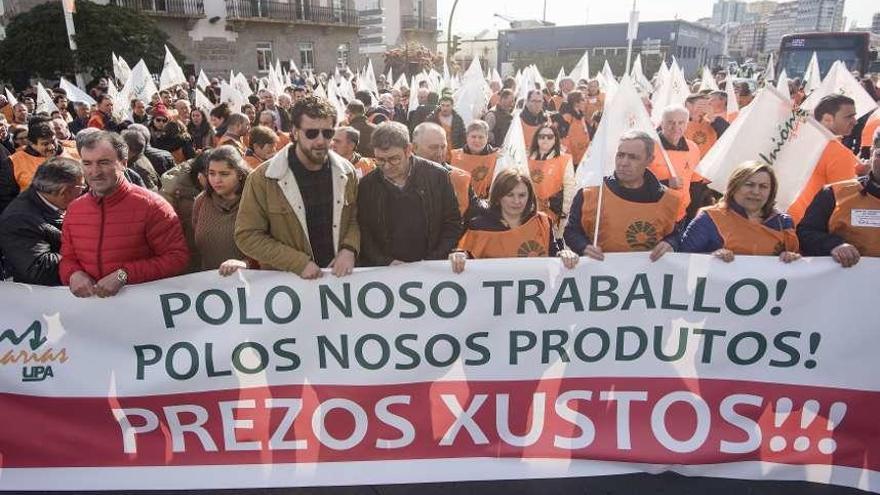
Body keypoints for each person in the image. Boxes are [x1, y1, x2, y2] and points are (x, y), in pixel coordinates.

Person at [235, 96, 359, 279]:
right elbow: (247, 235)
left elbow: (356, 218)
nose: (320, 140)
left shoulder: (347, 171)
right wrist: (297, 262)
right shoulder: (264, 178)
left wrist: (349, 248)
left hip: (337, 281)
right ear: (294, 132)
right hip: (288, 286)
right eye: (311, 133)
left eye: (327, 133)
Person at [60, 131, 189, 297]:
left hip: (142, 310)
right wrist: (72, 274)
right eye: (87, 163)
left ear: (124, 163)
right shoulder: (75, 209)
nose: (95, 171)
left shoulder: (152, 206)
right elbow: (67, 259)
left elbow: (177, 258)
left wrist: (124, 275)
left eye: (103, 163)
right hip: (91, 312)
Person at [564, 130, 680, 262]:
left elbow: (675, 234)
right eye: (620, 155)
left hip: (647, 277)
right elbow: (571, 231)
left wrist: (671, 243)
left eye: (633, 157)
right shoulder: (590, 194)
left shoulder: (668, 199)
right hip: (601, 276)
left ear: (649, 160)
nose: (623, 162)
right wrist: (583, 247)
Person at [358, 121, 462, 266]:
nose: (387, 166)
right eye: (380, 160)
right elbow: (364, 231)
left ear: (408, 150)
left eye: (394, 159)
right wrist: (385, 261)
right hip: (388, 272)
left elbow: (452, 222)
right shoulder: (367, 185)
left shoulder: (438, 176)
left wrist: (433, 260)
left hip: (431, 269)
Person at [450, 168, 579, 273]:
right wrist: (459, 256)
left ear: (530, 196)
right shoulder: (478, 226)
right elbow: (465, 256)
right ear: (498, 196)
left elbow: (553, 255)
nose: (517, 201)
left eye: (522, 195)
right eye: (510, 195)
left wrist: (564, 255)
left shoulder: (543, 221)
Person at [680, 161, 800, 262]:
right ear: (734, 187)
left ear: (771, 192)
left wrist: (789, 258)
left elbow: (798, 266)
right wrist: (710, 258)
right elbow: (681, 260)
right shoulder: (709, 218)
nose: (756, 192)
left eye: (763, 186)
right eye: (749, 185)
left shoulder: (783, 223)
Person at [797, 128, 880, 267]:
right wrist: (834, 245)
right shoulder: (834, 193)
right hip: (844, 283)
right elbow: (805, 234)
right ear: (872, 152)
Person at [0, 157, 84, 285]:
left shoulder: (50, 200)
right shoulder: (18, 220)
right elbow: (40, 268)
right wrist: (89, 252)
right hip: (46, 297)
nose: (85, 191)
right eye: (82, 187)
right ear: (64, 191)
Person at [788, 94, 860, 224]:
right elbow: (845, 203)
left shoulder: (796, 139)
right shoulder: (839, 153)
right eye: (849, 116)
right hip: (813, 228)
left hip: (786, 222)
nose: (855, 121)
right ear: (827, 119)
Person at [192, 146, 254, 275]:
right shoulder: (201, 201)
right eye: (211, 173)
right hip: (211, 286)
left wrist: (246, 263)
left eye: (224, 174)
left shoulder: (255, 201)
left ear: (240, 174)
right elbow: (194, 248)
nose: (216, 180)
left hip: (252, 284)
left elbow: (270, 246)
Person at [412, 122, 480, 221]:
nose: (439, 153)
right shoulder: (398, 177)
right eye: (433, 147)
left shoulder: (460, 178)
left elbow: (475, 210)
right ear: (415, 147)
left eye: (443, 147)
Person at [648, 104, 705, 222]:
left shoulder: (693, 147)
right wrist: (665, 184)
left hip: (681, 216)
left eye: (681, 123)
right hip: (651, 214)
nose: (676, 127)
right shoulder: (648, 146)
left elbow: (696, 183)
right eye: (670, 122)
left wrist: (692, 215)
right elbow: (634, 182)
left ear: (686, 125)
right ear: (662, 123)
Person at [160, 153, 207, 273]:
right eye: (211, 174)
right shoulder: (173, 191)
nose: (216, 179)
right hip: (185, 256)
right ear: (199, 175)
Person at [526, 123, 576, 229]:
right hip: (530, 211)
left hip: (553, 212)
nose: (545, 139)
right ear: (536, 138)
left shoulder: (564, 159)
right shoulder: (527, 158)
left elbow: (569, 188)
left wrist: (565, 212)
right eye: (541, 136)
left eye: (549, 137)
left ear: (555, 139)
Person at [10, 119, 71, 190]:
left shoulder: (72, 149)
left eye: (53, 142)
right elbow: (8, 196)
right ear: (32, 144)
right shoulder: (14, 161)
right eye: (45, 144)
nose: (51, 147)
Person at [449, 120, 498, 199]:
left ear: (487, 138)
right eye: (473, 136)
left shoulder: (497, 157)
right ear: (467, 137)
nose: (477, 140)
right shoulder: (453, 156)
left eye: (481, 137)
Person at [684, 93, 729, 158]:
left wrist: (713, 118)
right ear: (689, 106)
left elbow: (729, 135)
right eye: (701, 105)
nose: (704, 109)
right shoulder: (679, 123)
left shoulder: (714, 122)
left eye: (708, 105)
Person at [553, 90, 591, 166]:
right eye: (583, 100)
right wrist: (568, 154)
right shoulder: (567, 117)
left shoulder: (580, 115)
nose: (585, 101)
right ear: (576, 103)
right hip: (571, 158)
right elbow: (560, 136)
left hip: (582, 155)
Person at [425, 94, 466, 159]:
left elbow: (463, 138)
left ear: (452, 106)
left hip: (453, 155)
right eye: (443, 105)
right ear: (439, 105)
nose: (445, 108)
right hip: (436, 154)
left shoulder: (458, 120)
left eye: (447, 106)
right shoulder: (432, 118)